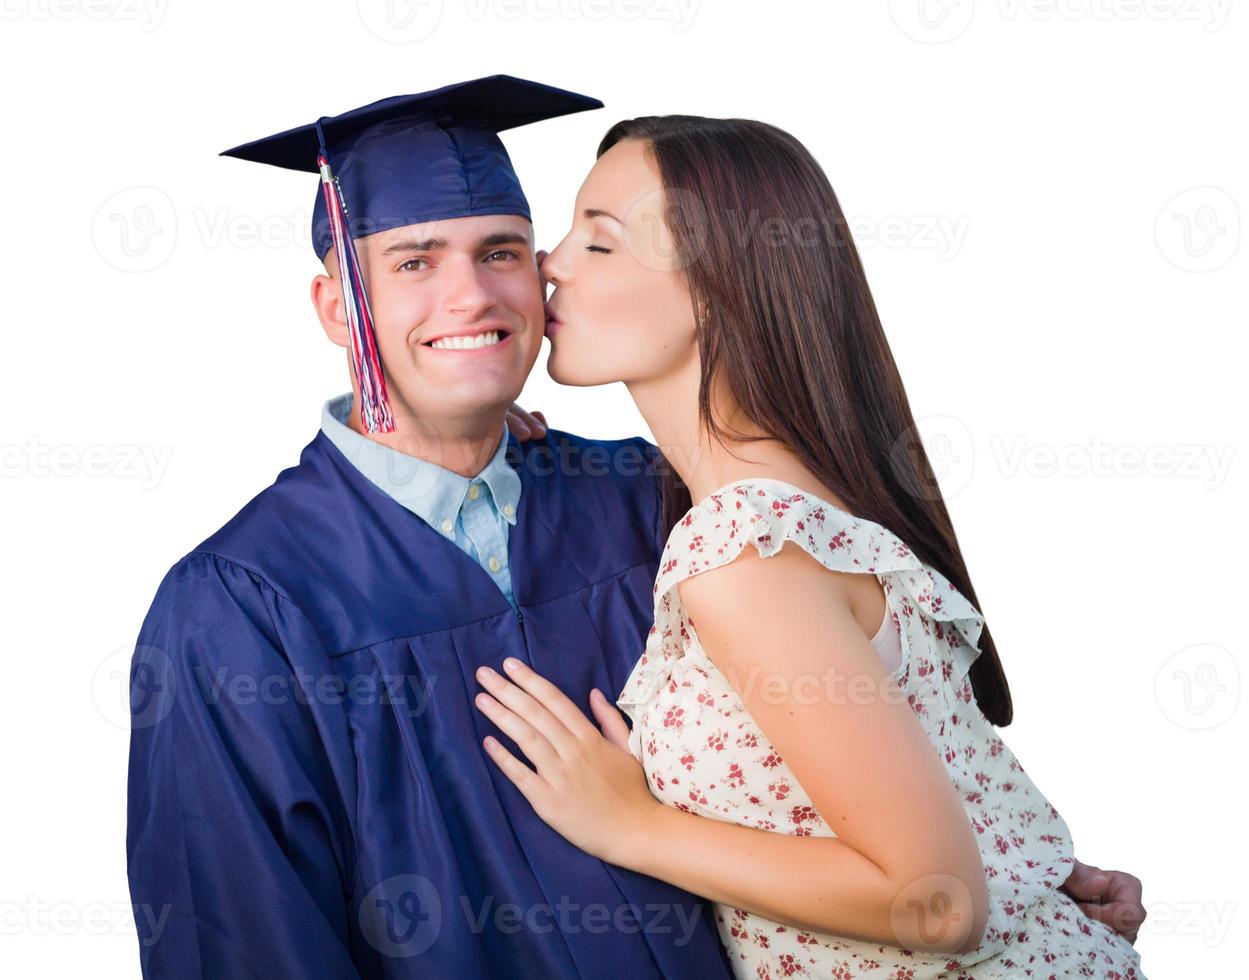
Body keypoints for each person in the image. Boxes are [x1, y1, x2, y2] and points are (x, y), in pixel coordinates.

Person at [470, 115, 1149, 978]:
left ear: (719, 287)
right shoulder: (803, 501)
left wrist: (628, 824)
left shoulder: (743, 551)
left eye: (598, 244)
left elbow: (936, 900)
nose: (548, 264)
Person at [124, 76, 734, 979]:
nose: (473, 298)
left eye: (500, 252)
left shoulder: (648, 501)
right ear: (338, 308)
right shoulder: (243, 607)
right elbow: (246, 940)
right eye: (414, 262)